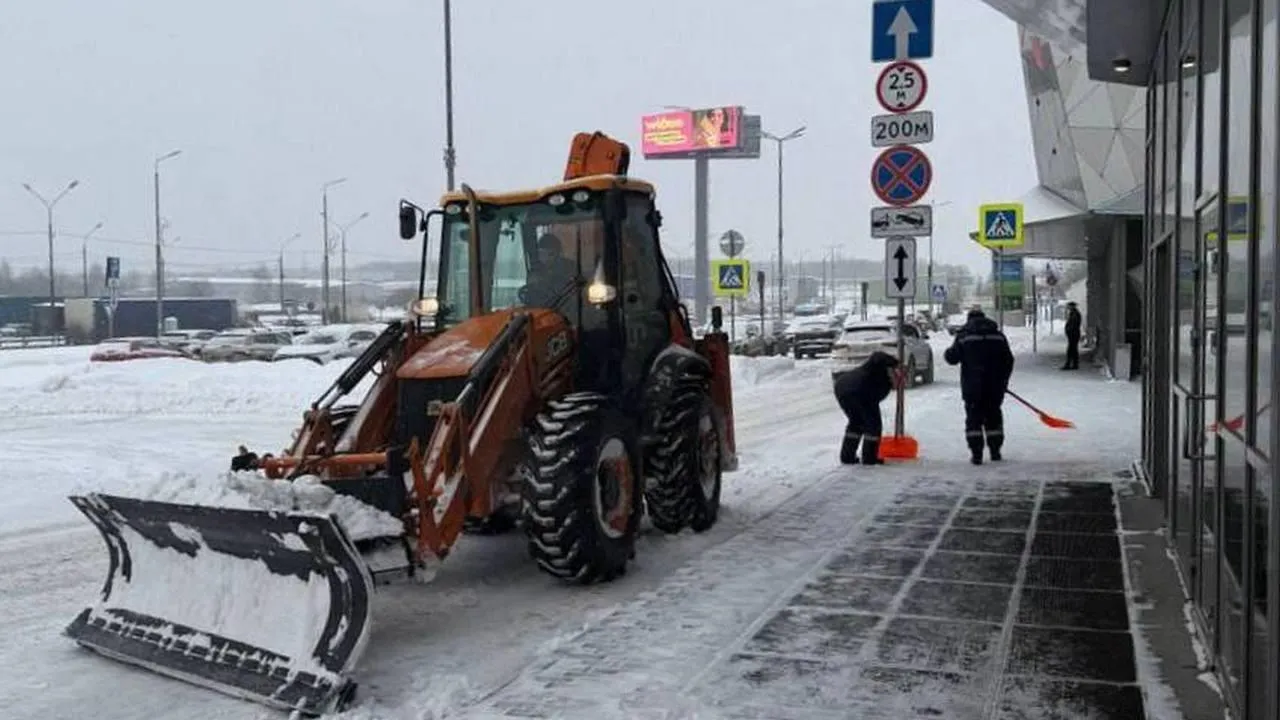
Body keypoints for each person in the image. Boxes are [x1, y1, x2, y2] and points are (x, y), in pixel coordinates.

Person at [944, 308, 1015, 465]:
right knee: (994, 417)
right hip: (994, 387)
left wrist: (949, 352)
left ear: (969, 320)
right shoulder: (998, 336)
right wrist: (1003, 380)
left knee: (974, 420)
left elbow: (952, 358)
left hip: (972, 387)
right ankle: (995, 451)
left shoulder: (965, 336)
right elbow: (1008, 360)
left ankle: (976, 454)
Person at [833, 351, 900, 465]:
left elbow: (877, 357)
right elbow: (878, 356)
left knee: (856, 422)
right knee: (873, 425)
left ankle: (847, 457)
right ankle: (870, 458)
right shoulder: (879, 377)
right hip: (859, 390)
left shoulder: (874, 370)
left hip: (842, 387)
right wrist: (895, 364)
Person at [522, 233, 578, 308]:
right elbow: (529, 296)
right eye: (542, 254)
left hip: (564, 308)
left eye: (550, 254)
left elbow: (572, 293)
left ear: (558, 253)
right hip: (540, 310)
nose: (546, 258)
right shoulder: (535, 270)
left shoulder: (569, 268)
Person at [1063, 301, 1082, 370]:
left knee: (1071, 350)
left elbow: (1073, 325)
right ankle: (1073, 364)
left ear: (1072, 306)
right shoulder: (1074, 313)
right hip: (1073, 334)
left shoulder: (1075, 314)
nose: (1068, 308)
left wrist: (1068, 330)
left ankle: (1070, 364)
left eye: (1069, 306)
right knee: (1073, 349)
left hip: (1073, 334)